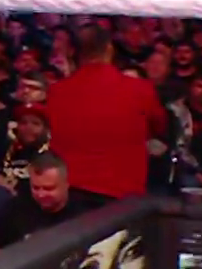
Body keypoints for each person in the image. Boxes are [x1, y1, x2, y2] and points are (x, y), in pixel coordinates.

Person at [45, 24, 165, 204]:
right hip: (122, 197)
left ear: (73, 52)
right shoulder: (139, 90)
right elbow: (159, 127)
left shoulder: (56, 92)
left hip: (70, 195)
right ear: (109, 49)